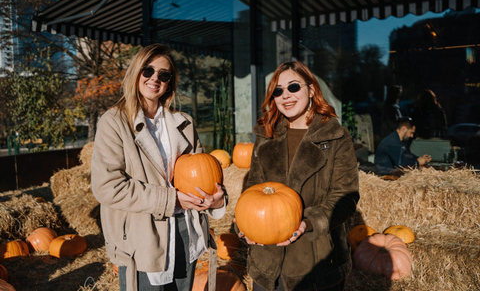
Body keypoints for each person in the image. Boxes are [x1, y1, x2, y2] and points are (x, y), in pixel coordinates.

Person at [91, 44, 226, 291]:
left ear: (170, 83)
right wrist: (171, 199)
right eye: (148, 70)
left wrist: (216, 200)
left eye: (164, 75)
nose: (155, 78)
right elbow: (107, 187)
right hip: (143, 236)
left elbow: (202, 172)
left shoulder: (183, 123)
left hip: (185, 230)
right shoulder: (114, 123)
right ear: (135, 73)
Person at [238, 61, 359, 291]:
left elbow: (346, 196)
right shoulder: (266, 136)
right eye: (278, 91)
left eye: (293, 87)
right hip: (268, 264)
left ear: (311, 89)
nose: (286, 96)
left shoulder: (336, 137)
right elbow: (253, 188)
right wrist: (245, 224)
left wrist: (308, 223)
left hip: (316, 263)